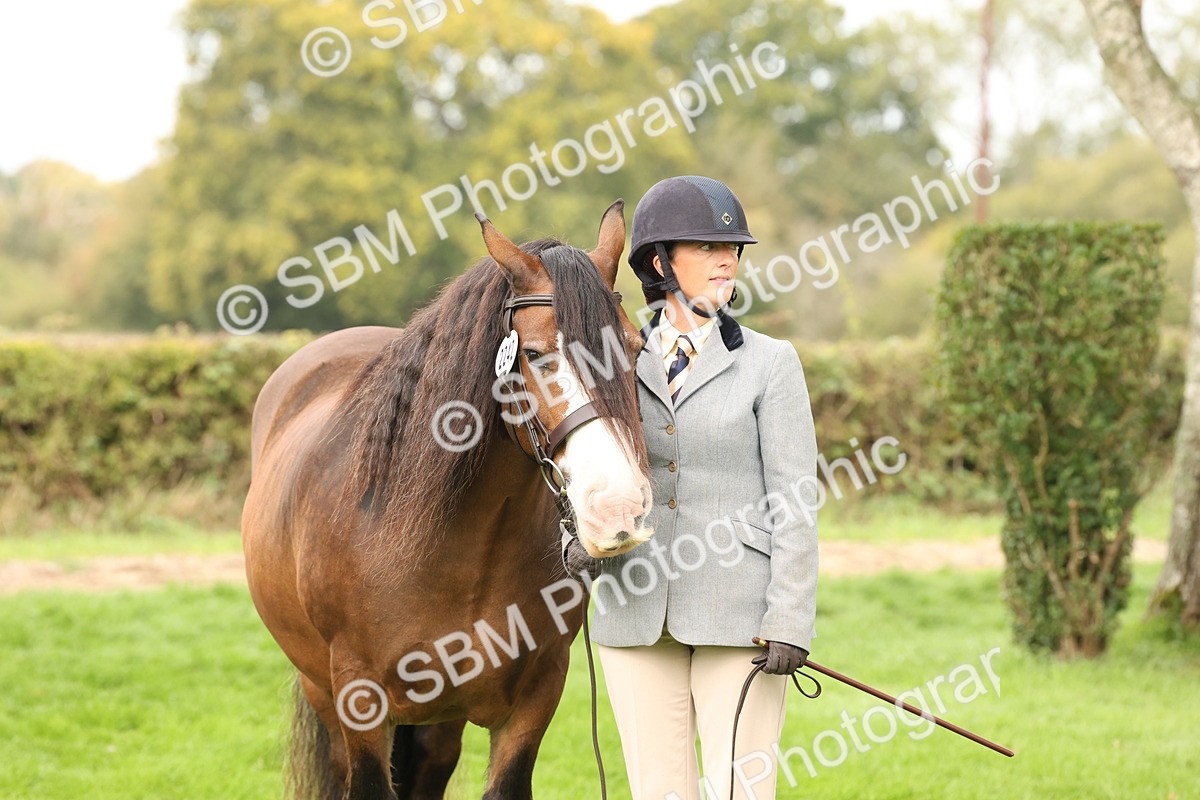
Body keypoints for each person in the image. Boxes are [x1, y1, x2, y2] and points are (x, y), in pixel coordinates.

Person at [587, 175, 819, 800]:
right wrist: (576, 543)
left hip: (740, 616)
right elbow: (576, 471)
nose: (726, 261)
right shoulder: (610, 363)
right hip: (634, 607)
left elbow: (795, 501)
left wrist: (790, 618)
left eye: (733, 249)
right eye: (706, 246)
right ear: (659, 263)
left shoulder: (771, 363)